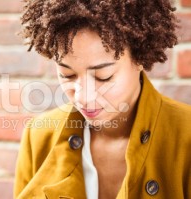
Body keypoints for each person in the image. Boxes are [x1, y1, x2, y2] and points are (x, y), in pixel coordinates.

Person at [14, 0, 191, 198]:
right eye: (67, 75)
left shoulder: (187, 135)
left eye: (103, 76)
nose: (83, 97)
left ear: (140, 58)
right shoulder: (38, 136)